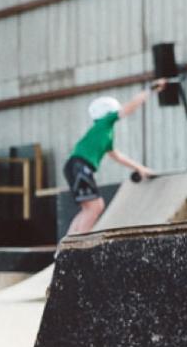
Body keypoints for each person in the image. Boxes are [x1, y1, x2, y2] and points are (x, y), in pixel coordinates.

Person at [63, 80, 166, 236]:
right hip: (79, 166)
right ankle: (77, 246)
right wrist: (150, 89)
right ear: (108, 112)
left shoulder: (104, 134)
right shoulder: (104, 123)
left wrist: (140, 168)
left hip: (75, 167)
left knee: (89, 208)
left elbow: (118, 156)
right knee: (95, 207)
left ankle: (66, 246)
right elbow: (130, 106)